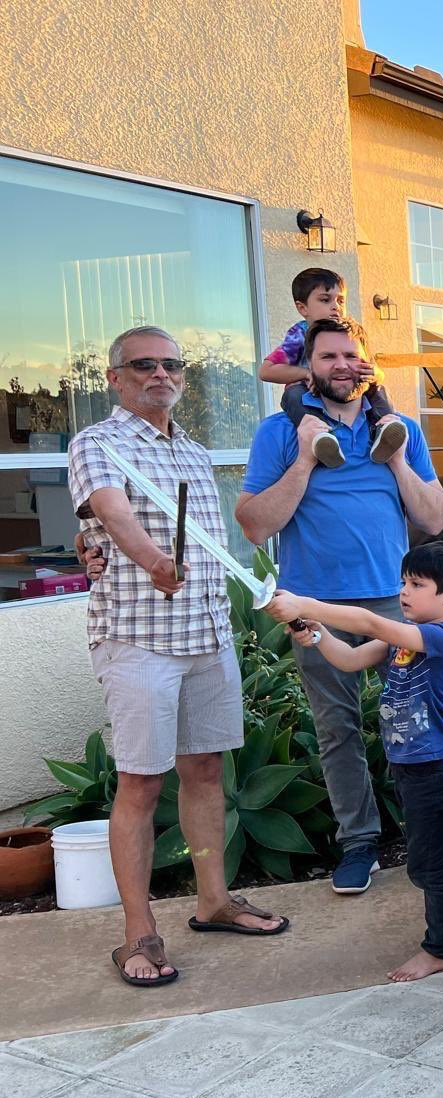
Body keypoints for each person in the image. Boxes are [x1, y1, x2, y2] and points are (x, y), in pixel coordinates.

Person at [70, 325, 289, 987]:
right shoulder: (97, 443)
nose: (160, 374)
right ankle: (138, 935)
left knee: (205, 771)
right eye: (144, 365)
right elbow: (111, 514)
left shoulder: (193, 450)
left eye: (172, 364)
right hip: (139, 639)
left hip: (207, 635)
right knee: (140, 783)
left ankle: (213, 901)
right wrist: (153, 561)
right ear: (116, 377)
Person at [238, 317, 443, 895]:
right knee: (338, 730)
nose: (341, 365)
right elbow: (254, 525)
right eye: (328, 356)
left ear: (366, 363)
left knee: (420, 720)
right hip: (316, 603)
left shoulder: (399, 429)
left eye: (351, 355)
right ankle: (359, 843)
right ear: (308, 366)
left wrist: (398, 460)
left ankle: (440, 841)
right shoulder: (280, 432)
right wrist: (305, 461)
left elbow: (435, 518)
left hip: (396, 602)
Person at [268, 542, 443, 983]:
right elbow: (349, 660)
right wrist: (318, 635)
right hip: (408, 764)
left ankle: (439, 949)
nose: (404, 591)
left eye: (417, 584)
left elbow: (368, 622)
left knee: (425, 863)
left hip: (434, 766)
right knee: (437, 840)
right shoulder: (401, 638)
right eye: (403, 582)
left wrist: (306, 604)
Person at [256, 268, 400, 469]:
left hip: (343, 397)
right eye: (325, 300)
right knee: (292, 395)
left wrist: (375, 374)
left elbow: (372, 369)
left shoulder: (349, 333)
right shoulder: (299, 335)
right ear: (303, 308)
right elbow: (266, 370)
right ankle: (320, 438)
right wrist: (306, 374)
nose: (335, 307)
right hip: (307, 392)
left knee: (378, 388)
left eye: (340, 301)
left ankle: (385, 429)